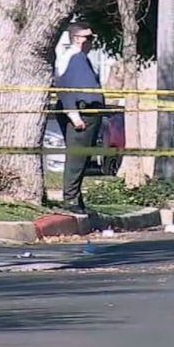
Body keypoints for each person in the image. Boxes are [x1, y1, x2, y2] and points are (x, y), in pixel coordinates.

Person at [54, 21, 105, 214]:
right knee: (76, 159)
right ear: (76, 39)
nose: (92, 41)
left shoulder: (81, 58)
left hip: (89, 113)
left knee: (83, 159)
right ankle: (70, 201)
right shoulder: (72, 57)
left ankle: (78, 199)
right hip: (81, 114)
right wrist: (74, 116)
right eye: (88, 37)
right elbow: (65, 89)